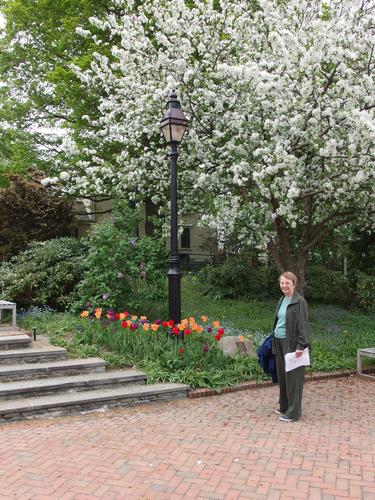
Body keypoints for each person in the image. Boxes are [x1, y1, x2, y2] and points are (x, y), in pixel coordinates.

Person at [272, 271, 310, 422]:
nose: (284, 285)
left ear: (294, 284)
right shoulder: (282, 300)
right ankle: (284, 406)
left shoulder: (299, 302)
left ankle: (294, 412)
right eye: (282, 283)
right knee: (283, 375)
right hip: (279, 342)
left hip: (293, 343)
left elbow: (303, 325)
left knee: (294, 378)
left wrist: (301, 345)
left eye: (287, 283)